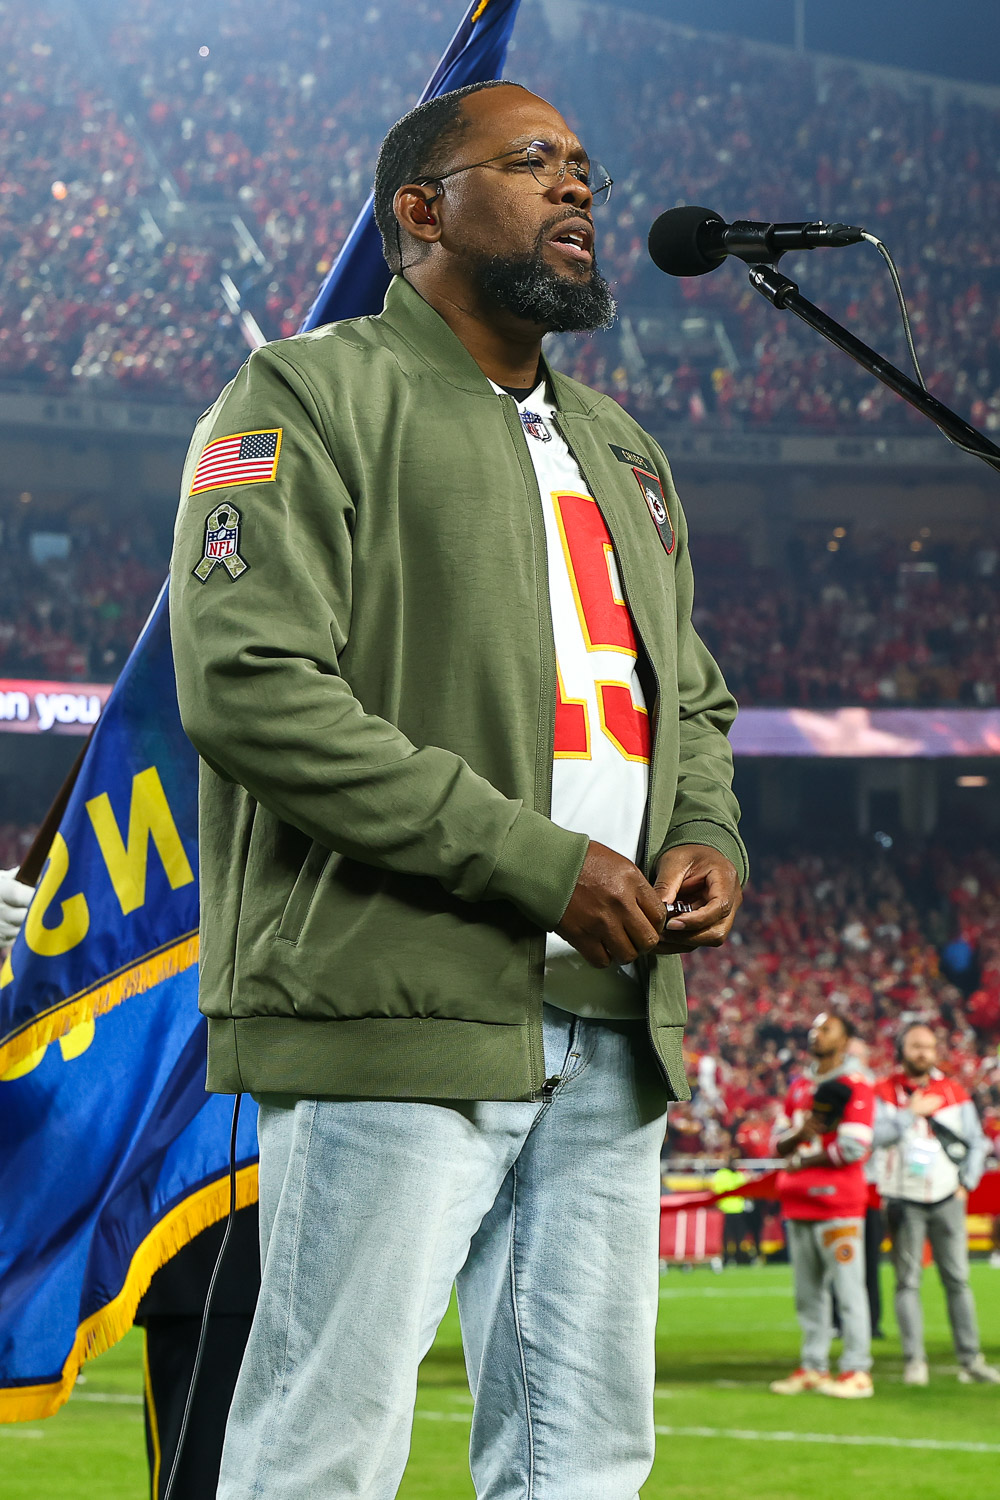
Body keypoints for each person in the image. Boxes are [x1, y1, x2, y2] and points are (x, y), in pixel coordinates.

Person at [169, 80, 747, 1500]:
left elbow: (696, 699)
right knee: (324, 1452)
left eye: (586, 168)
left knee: (585, 1460)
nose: (578, 189)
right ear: (420, 212)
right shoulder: (305, 392)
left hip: (612, 1021)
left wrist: (704, 832)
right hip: (391, 1003)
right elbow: (251, 687)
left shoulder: (624, 449)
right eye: (533, 162)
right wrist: (541, 864)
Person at [873, 1022, 1000, 1385]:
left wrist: (967, 1183)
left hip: (947, 1196)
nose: (923, 1052)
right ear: (902, 1049)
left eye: (928, 1046)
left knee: (958, 1280)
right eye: (915, 1046)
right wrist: (909, 1113)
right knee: (907, 1282)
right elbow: (873, 1137)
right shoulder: (884, 1092)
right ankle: (915, 1361)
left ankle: (971, 1360)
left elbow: (977, 1142)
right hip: (902, 1198)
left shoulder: (955, 1091)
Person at [769, 1012, 875, 1399]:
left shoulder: (856, 1085)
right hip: (797, 1204)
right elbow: (774, 1143)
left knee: (848, 1292)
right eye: (813, 1027)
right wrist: (802, 1135)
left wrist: (802, 1156)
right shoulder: (798, 1086)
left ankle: (856, 1371)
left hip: (838, 1204)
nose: (816, 1033)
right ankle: (814, 1366)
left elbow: (854, 1146)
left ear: (845, 1041)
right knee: (808, 1295)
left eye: (826, 1028)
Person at [711, 1139, 750, 1266]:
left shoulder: (721, 1175)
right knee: (734, 1238)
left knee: (729, 1238)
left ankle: (729, 1259)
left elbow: (716, 1192)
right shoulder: (736, 1175)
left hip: (731, 1210)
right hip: (732, 1210)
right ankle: (736, 1259)